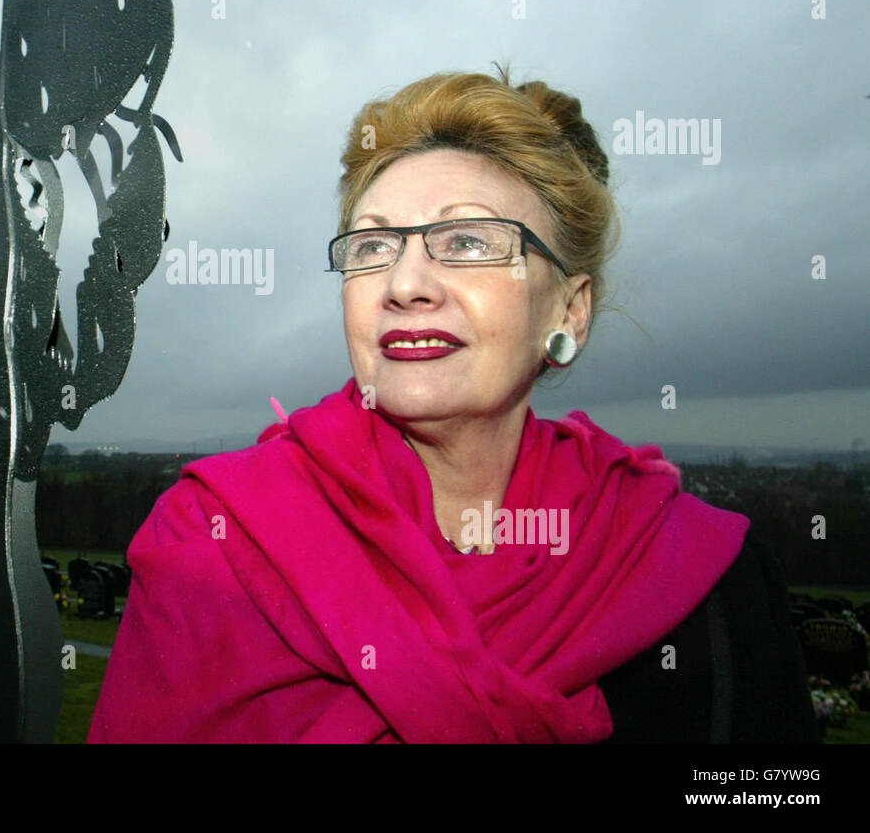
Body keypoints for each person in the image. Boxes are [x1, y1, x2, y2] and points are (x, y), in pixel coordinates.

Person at [87, 65, 820, 743]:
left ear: (569, 309)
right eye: (372, 247)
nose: (406, 282)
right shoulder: (214, 541)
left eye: (467, 240)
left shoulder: (697, 570)